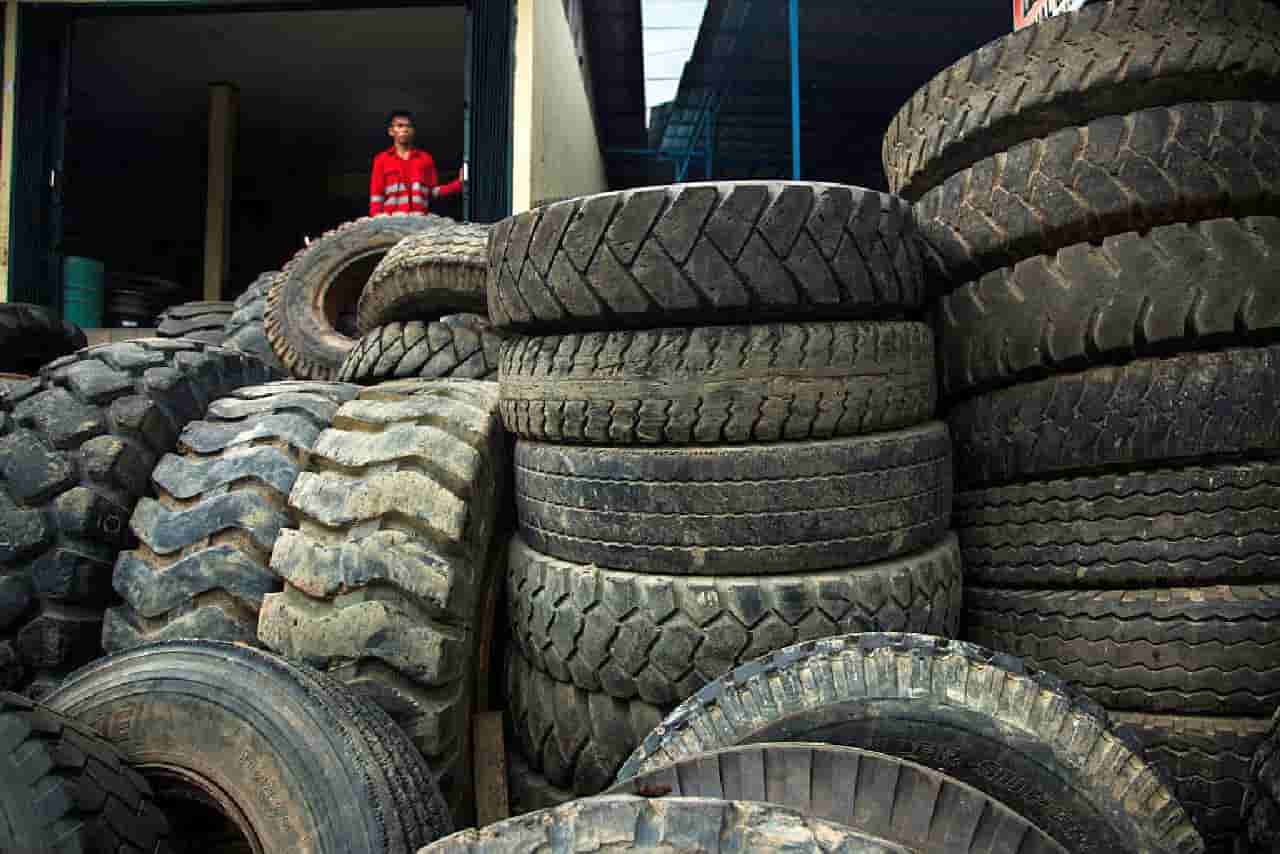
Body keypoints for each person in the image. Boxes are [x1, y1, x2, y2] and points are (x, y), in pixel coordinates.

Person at [369, 110, 464, 217]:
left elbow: (433, 192)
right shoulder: (381, 159)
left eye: (408, 126)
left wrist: (458, 184)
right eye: (400, 126)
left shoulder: (426, 159)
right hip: (391, 224)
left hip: (419, 223)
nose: (404, 129)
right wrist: (377, 223)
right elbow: (376, 197)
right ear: (391, 131)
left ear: (413, 131)